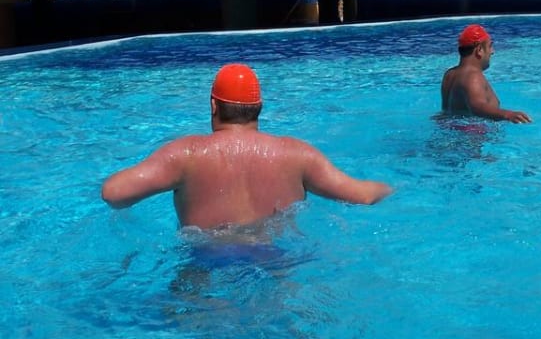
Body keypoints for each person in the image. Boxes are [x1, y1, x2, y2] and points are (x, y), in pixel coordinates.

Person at [101, 63, 393, 230]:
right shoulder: (297, 155)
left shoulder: (186, 155)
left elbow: (114, 194)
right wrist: (394, 188)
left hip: (206, 262)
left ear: (213, 105)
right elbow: (363, 196)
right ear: (259, 108)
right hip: (276, 259)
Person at [441, 24, 532, 123]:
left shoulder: (449, 74)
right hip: (474, 131)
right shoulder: (472, 76)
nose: (492, 51)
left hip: (455, 129)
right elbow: (477, 106)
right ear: (479, 50)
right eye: (490, 46)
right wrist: (508, 114)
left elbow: (448, 114)